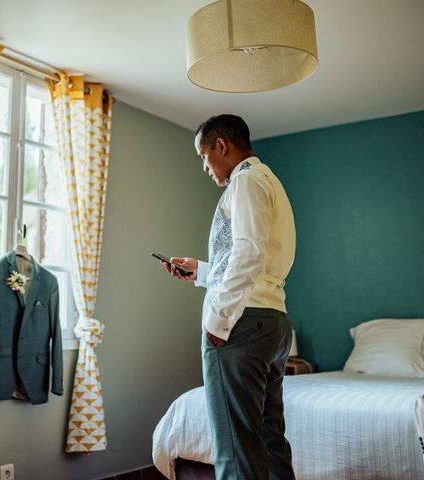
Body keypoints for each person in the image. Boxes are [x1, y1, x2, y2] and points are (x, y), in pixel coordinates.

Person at [161, 114, 296, 480]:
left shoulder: (246, 182)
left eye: (204, 156)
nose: (205, 167)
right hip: (272, 319)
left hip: (242, 324)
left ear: (222, 146)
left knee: (236, 447)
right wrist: (203, 272)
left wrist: (218, 321)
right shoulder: (269, 181)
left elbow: (248, 253)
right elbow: (259, 261)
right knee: (269, 440)